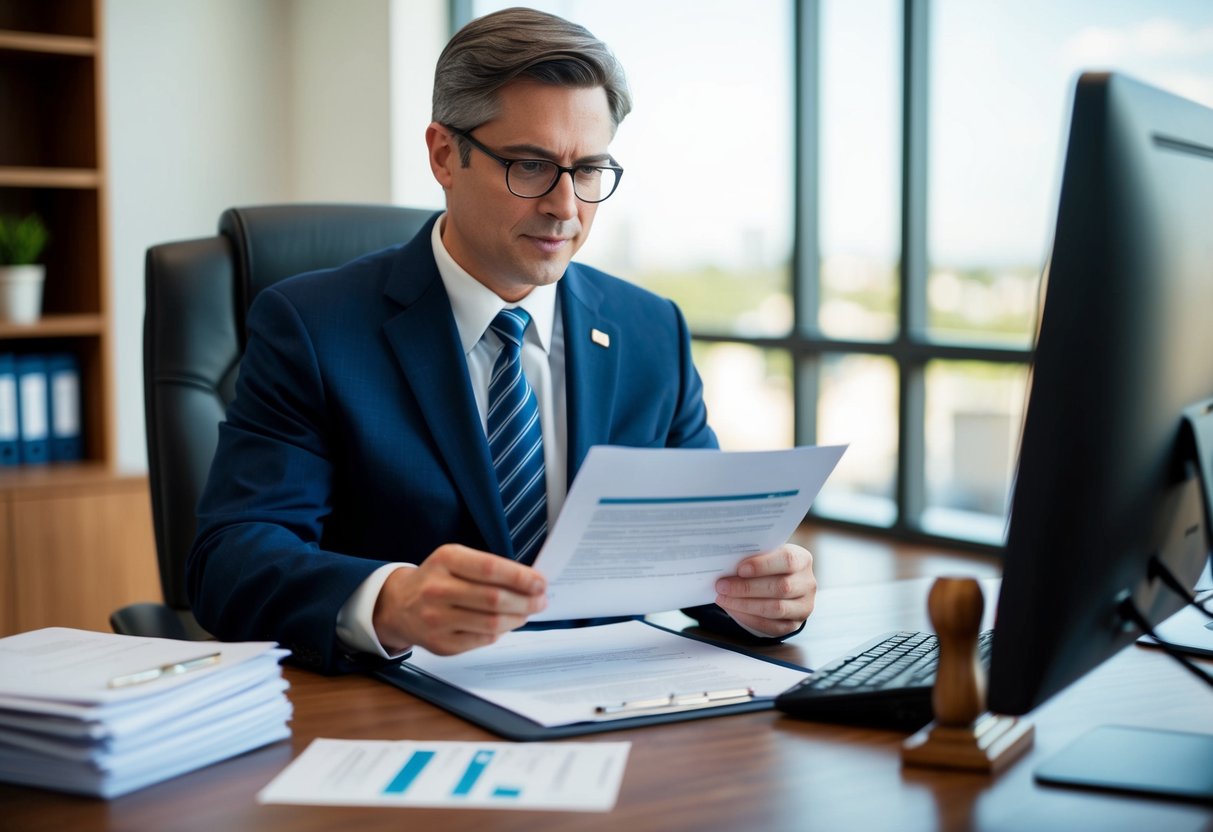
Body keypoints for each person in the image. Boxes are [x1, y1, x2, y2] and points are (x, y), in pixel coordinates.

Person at [187, 7, 816, 674]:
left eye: (589, 171)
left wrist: (764, 595)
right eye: (529, 166)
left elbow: (699, 553)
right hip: (402, 709)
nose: (565, 208)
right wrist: (390, 602)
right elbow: (231, 559)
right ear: (442, 155)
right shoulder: (312, 326)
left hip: (611, 704)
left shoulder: (649, 330)